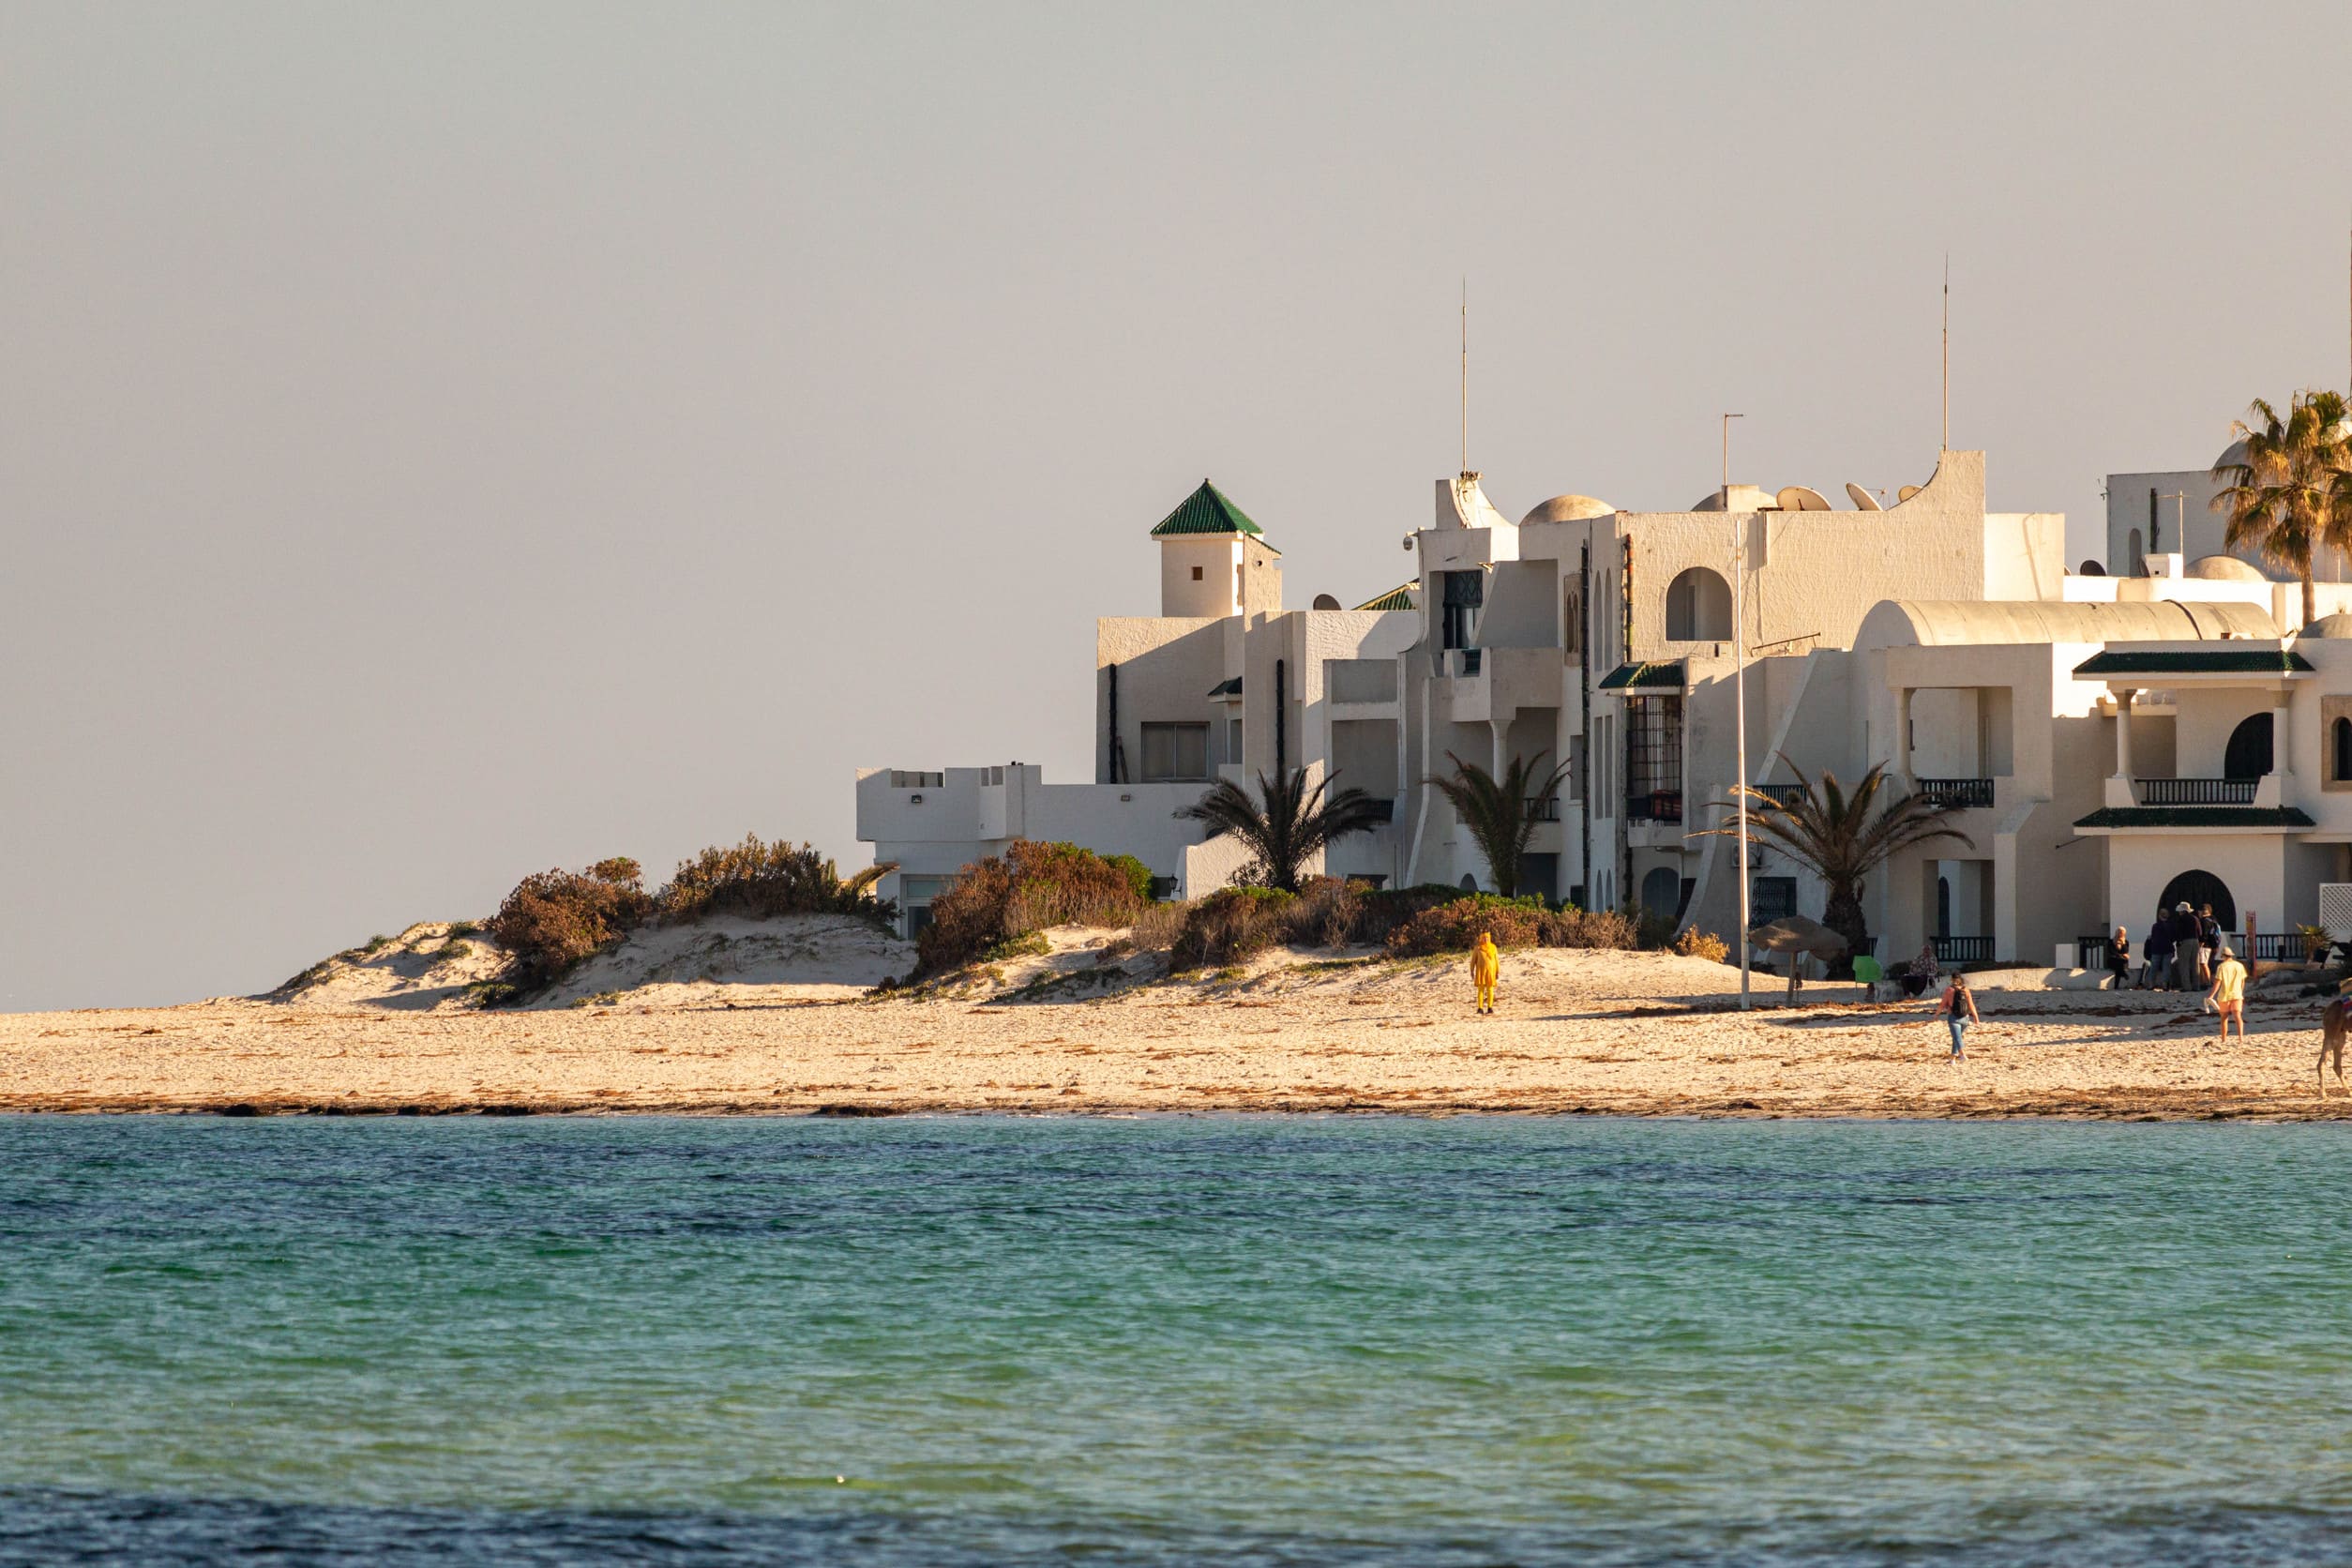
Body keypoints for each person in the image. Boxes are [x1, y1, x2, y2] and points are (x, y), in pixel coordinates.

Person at [2208, 942, 2247, 1043]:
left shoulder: (2221, 967)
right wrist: (2240, 992)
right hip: (2237, 995)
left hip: (2224, 995)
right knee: (2238, 1016)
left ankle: (2224, 1039)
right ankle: (2241, 1038)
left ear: (2223, 956)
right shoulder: (2239, 965)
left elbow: (2217, 983)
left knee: (2224, 1018)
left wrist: (2211, 995)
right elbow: (2243, 981)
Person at [1937, 971, 1979, 1061]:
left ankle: (1962, 1054)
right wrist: (1976, 1017)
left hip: (1953, 1017)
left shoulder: (1949, 990)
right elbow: (1971, 1005)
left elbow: (1942, 1004)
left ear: (1951, 979)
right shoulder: (1966, 990)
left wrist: (1936, 1015)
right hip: (1965, 1018)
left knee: (1957, 1037)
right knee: (1956, 1038)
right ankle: (1952, 1059)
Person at [1470, 929, 1500, 1016]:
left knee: (1490, 989)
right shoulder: (1478, 948)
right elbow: (1473, 960)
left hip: (1491, 972)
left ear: (1489, 938)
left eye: (1487, 938)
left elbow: (1496, 960)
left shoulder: (1493, 947)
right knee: (1481, 990)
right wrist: (1472, 970)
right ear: (1481, 939)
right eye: (1484, 938)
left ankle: (1490, 1007)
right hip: (1481, 972)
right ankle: (1480, 1008)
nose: (1485, 940)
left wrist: (1498, 971)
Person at [2197, 904, 2222, 988]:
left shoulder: (2204, 921)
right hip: (2215, 945)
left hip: (2206, 945)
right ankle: (2211, 980)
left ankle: (2207, 981)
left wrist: (2201, 943)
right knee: (2210, 963)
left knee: (2203, 963)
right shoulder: (2213, 919)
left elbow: (2204, 934)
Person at [2104, 926, 2132, 991]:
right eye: (2119, 932)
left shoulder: (2126, 942)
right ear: (2116, 933)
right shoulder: (2111, 942)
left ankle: (2116, 986)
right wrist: (2121, 955)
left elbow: (2126, 951)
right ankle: (2123, 974)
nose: (2120, 934)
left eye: (2122, 933)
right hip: (2113, 961)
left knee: (2119, 966)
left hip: (2122, 962)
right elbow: (2112, 952)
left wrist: (2123, 944)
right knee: (2119, 963)